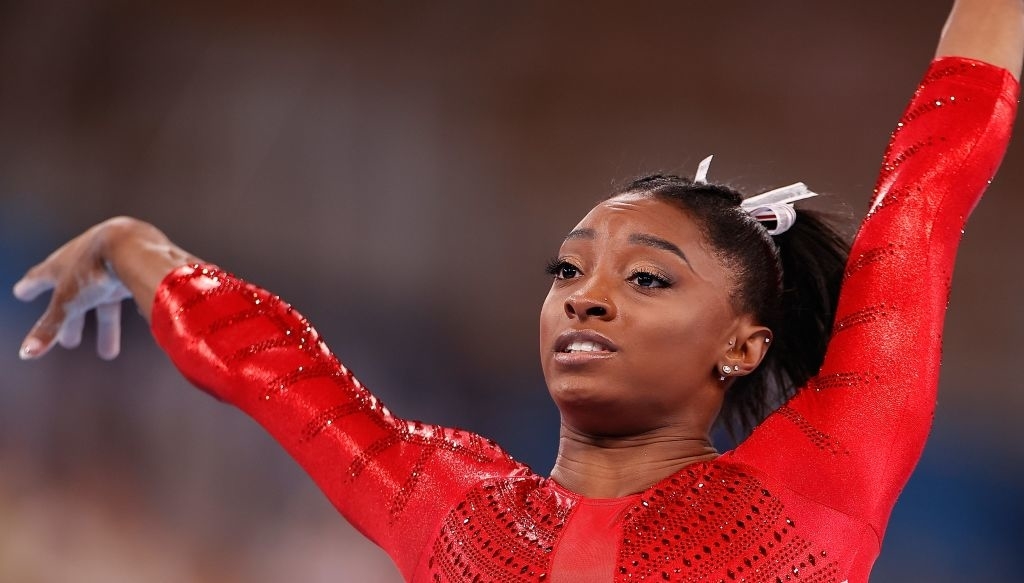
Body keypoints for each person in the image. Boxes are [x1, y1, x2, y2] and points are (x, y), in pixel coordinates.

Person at [13, 0, 1024, 581]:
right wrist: (139, 251)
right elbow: (275, 369)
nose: (585, 297)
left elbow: (923, 199)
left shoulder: (818, 482)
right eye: (570, 269)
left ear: (741, 344)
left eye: (644, 279)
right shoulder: (452, 505)